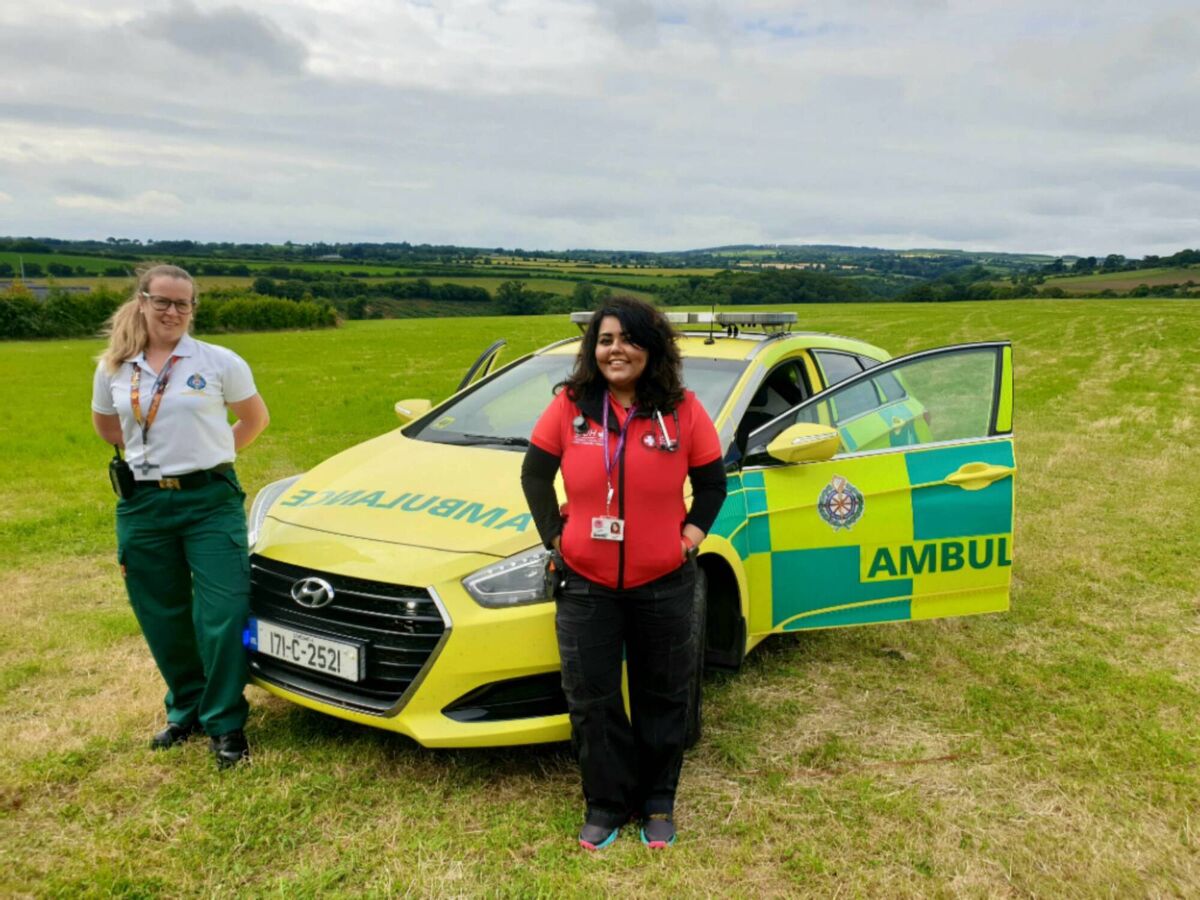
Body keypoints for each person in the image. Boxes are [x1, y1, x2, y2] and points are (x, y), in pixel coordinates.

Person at [521, 296, 727, 850]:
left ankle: (658, 801)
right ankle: (606, 803)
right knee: (592, 697)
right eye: (606, 339)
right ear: (594, 349)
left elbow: (712, 485)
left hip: (664, 583)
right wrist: (556, 539)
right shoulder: (571, 406)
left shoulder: (682, 410)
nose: (617, 350)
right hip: (585, 583)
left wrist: (689, 538)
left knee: (664, 694)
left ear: (652, 348)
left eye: (630, 339)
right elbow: (535, 477)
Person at [91, 264, 269, 769]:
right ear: (142, 301)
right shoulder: (113, 367)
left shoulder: (217, 361)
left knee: (223, 612)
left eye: (182, 304)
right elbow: (108, 429)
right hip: (144, 504)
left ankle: (225, 722)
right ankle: (186, 707)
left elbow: (255, 419)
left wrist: (212, 454)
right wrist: (156, 458)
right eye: (162, 301)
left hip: (209, 500)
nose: (172, 312)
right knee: (161, 612)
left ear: (193, 309)